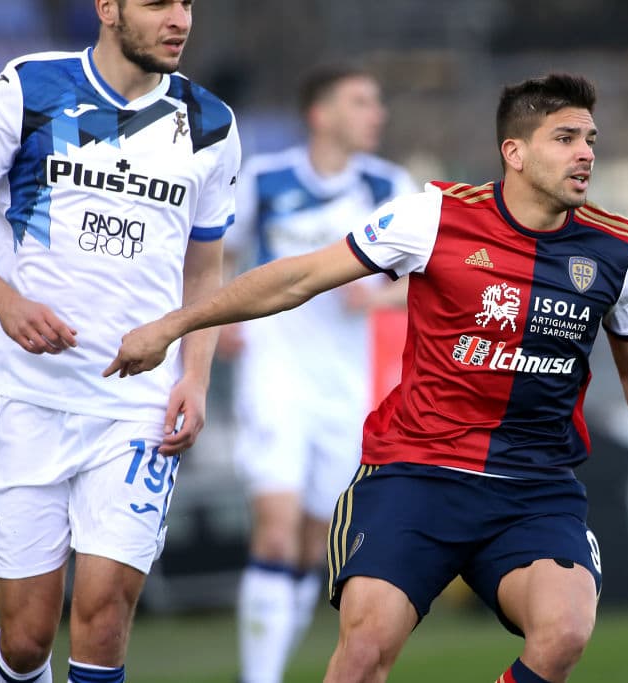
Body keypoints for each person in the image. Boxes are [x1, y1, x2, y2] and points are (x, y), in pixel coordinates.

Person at [105, 73, 628, 683]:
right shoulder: (435, 216)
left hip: (534, 487)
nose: (585, 152)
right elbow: (298, 278)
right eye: (565, 138)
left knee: (563, 633)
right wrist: (171, 327)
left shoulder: (619, 247)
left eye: (590, 138)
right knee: (365, 649)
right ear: (515, 152)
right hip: (417, 473)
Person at [0, 1, 240, 681]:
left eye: (187, 3)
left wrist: (195, 376)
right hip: (30, 395)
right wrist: (6, 304)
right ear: (107, 8)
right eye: (157, 4)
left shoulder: (211, 123)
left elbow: (205, 265)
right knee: (29, 634)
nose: (179, 19)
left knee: (102, 611)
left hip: (138, 404)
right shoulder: (29, 89)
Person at [221, 65, 414, 683]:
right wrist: (222, 317)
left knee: (313, 546)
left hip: (346, 389)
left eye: (377, 102)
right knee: (275, 535)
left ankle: (269, 660)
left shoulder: (390, 185)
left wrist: (380, 297)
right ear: (321, 114)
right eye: (361, 102)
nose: (376, 114)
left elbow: (430, 277)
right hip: (273, 375)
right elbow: (217, 250)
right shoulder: (266, 179)